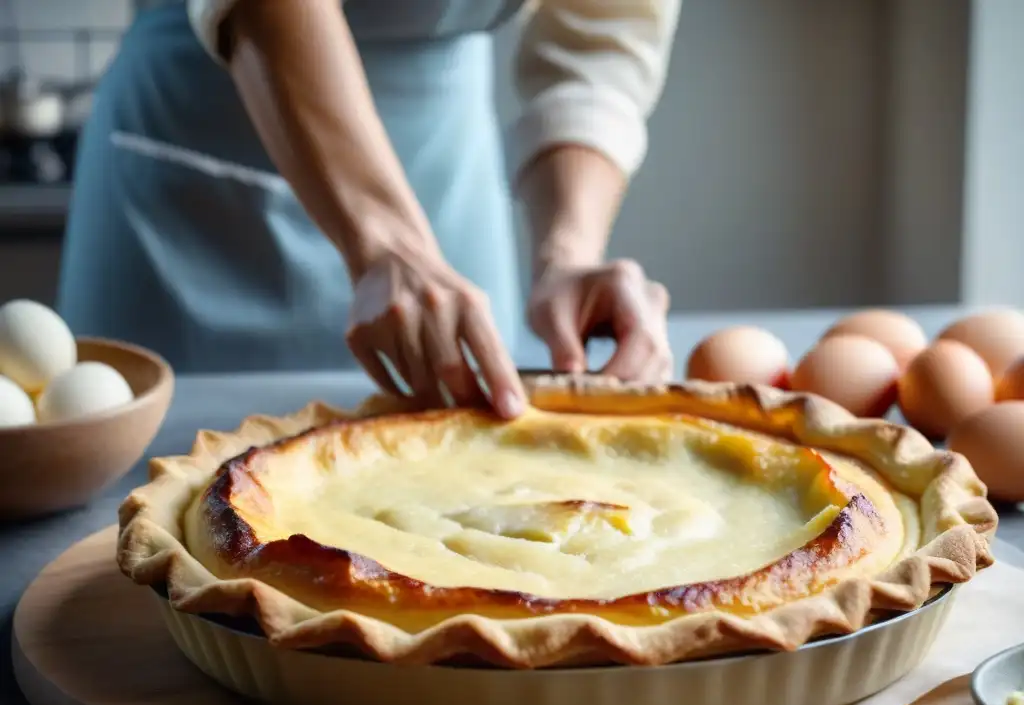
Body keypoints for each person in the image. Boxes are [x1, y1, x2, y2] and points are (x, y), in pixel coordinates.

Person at [57, 0, 680, 419]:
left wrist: (568, 252)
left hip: (446, 161)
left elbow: (605, 38)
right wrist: (389, 242)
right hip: (204, 132)